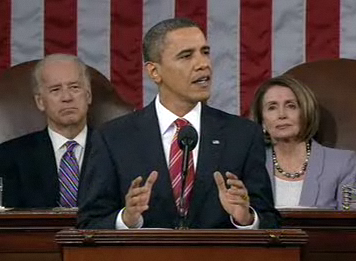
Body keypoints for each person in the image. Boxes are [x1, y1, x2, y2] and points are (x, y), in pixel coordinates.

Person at [77, 18, 279, 229]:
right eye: (186, 56)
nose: (203, 64)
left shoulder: (243, 135)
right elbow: (89, 223)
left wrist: (246, 218)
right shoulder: (114, 138)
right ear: (155, 72)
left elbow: (270, 222)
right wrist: (126, 219)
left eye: (205, 52)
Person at [0, 53, 93, 208]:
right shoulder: (8, 157)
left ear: (88, 95)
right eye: (55, 90)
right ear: (40, 102)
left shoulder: (115, 150)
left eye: (75, 87)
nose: (67, 97)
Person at [250, 75, 356, 209]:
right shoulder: (251, 164)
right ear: (262, 120)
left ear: (305, 113)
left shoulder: (344, 164)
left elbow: (351, 219)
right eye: (272, 107)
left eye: (291, 106)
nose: (282, 114)